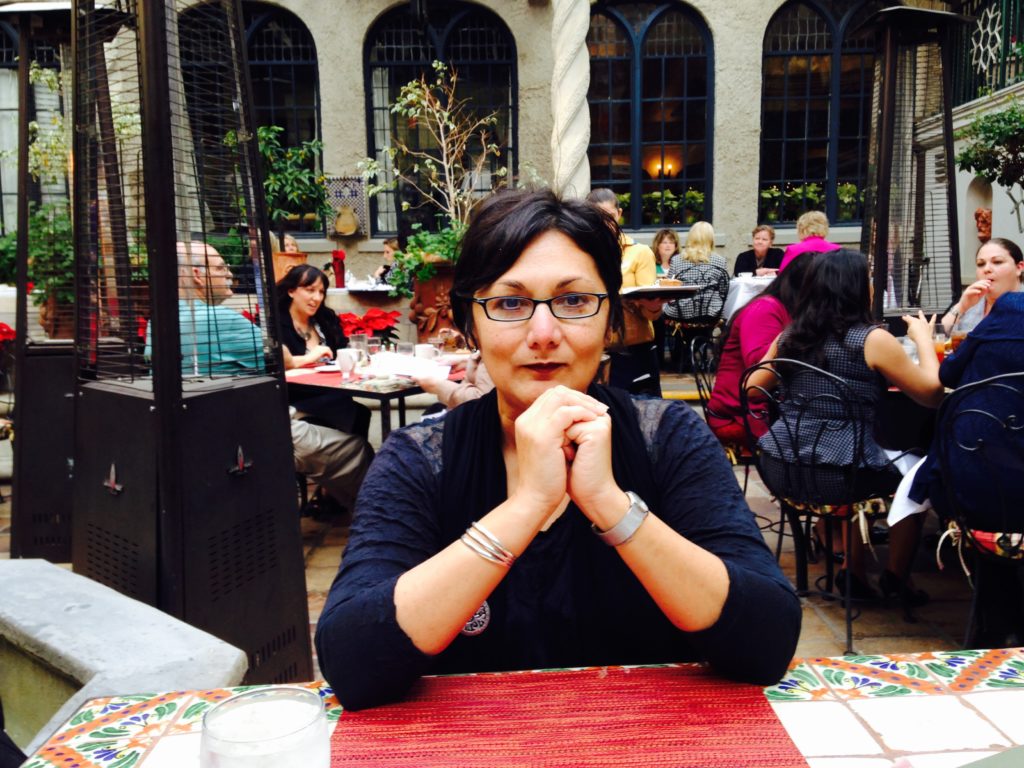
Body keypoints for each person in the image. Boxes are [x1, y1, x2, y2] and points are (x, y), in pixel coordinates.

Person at [315, 189, 801, 711]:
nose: (543, 334)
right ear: (470, 323)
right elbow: (353, 665)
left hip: (649, 739)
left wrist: (610, 504)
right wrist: (526, 506)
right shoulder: (420, 460)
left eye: (574, 301)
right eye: (509, 303)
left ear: (611, 320)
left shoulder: (669, 438)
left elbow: (766, 641)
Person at [749, 250, 944, 602]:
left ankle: (852, 572)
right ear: (855, 288)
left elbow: (752, 387)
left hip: (782, 467)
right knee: (921, 472)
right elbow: (931, 394)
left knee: (855, 458)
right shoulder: (872, 339)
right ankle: (896, 577)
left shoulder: (791, 336)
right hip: (839, 476)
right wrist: (924, 341)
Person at [705, 252, 816, 446]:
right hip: (740, 415)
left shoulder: (786, 307)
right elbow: (759, 369)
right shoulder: (765, 308)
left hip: (763, 407)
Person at [585, 188, 664, 396]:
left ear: (619, 214)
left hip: (633, 350)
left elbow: (651, 312)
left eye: (609, 216)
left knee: (640, 411)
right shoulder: (582, 254)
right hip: (593, 351)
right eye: (597, 218)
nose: (604, 223)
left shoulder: (639, 252)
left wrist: (653, 306)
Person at [152, 241, 266, 376]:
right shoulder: (220, 318)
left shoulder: (156, 322)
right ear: (197, 275)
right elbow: (280, 356)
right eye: (220, 268)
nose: (229, 274)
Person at [941, 237, 1023, 335]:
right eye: (981, 264)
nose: (986, 269)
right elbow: (940, 336)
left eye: (997, 262)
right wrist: (961, 306)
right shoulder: (969, 303)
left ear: (1019, 268)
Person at [277, 263, 346, 369]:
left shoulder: (327, 319)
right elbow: (276, 364)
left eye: (321, 292)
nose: (317, 298)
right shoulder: (276, 324)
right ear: (291, 291)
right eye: (310, 290)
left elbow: (343, 350)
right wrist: (309, 358)